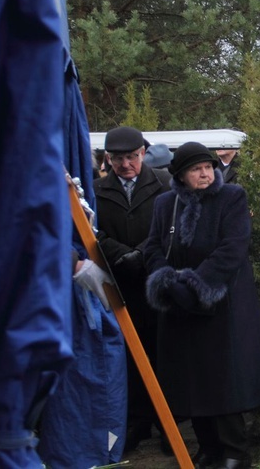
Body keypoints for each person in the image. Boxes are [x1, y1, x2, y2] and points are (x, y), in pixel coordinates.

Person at [144, 142, 260, 468]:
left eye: (207, 167)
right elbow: (154, 246)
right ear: (181, 175)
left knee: (222, 383)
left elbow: (232, 248)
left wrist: (197, 286)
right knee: (190, 383)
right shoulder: (164, 203)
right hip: (179, 309)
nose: (203, 173)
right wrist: (167, 282)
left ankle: (234, 452)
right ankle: (208, 448)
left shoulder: (231, 197)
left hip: (222, 307)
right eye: (195, 168)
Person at [93, 126, 171, 452]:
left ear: (143, 153)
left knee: (163, 354)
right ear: (108, 159)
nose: (126, 164)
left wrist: (141, 252)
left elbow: (170, 225)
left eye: (132, 157)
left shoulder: (164, 183)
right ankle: (137, 421)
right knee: (128, 356)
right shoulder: (97, 189)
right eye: (118, 158)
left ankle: (169, 423)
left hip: (156, 281)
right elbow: (91, 230)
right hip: (118, 284)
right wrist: (119, 254)